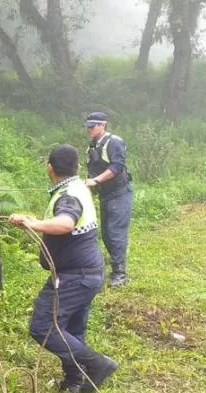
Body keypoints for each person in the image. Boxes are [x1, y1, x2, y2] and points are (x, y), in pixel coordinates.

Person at [10, 144, 119, 393]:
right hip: (87, 273)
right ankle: (73, 381)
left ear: (49, 168)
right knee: (71, 329)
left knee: (43, 327)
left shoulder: (68, 196)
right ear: (77, 167)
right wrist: (29, 221)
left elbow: (66, 223)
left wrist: (34, 224)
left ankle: (97, 364)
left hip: (74, 277)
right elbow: (61, 218)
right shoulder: (77, 187)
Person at [83, 111, 133, 288]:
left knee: (115, 233)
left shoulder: (114, 142)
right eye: (88, 126)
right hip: (105, 195)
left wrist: (96, 180)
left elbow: (117, 167)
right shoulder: (92, 146)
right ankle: (115, 263)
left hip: (119, 193)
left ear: (102, 125)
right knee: (105, 234)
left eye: (93, 126)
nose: (89, 129)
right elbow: (92, 170)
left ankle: (120, 274)